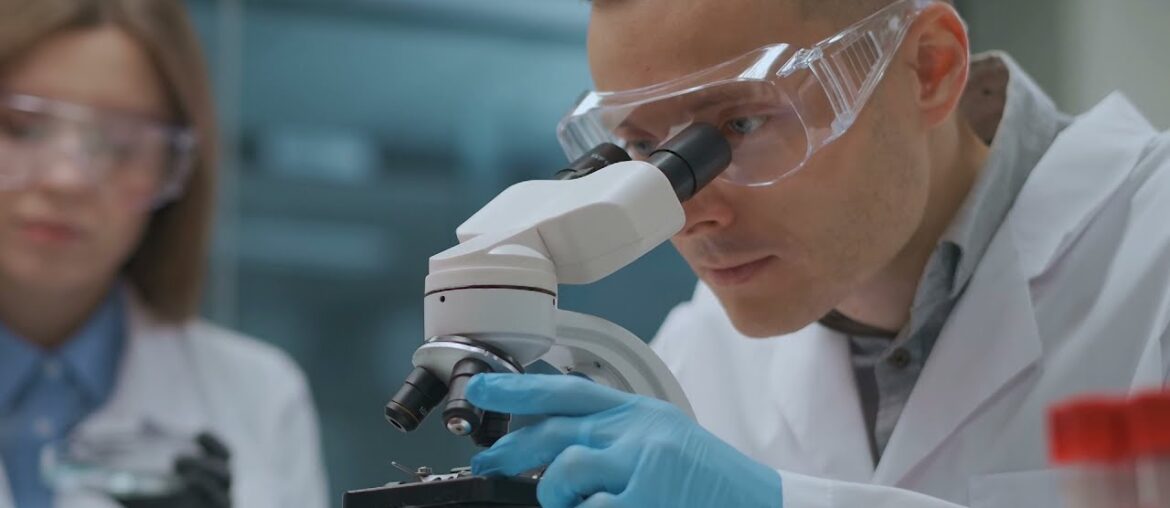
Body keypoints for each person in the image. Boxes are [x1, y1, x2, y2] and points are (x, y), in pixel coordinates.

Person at [461, 0, 1170, 506]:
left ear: (928, 68)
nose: (689, 210)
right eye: (644, 147)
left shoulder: (1153, 247)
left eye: (741, 123)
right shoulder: (697, 356)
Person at [0, 1, 328, 507]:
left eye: (120, 145)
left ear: (174, 171)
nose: (66, 180)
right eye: (21, 128)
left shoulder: (261, 395)